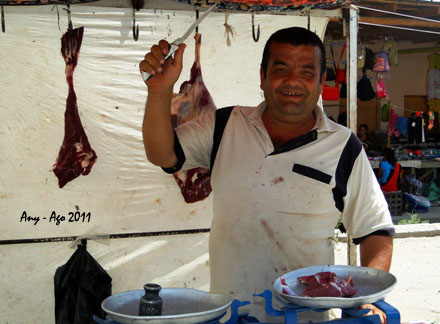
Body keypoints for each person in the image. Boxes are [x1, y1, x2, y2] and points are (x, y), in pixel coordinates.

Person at [140, 27, 394, 323]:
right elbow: (163, 154)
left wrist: (369, 300)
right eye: (281, 69)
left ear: (321, 82)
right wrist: (158, 92)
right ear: (262, 76)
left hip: (305, 318)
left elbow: (375, 229)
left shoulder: (343, 146)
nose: (293, 81)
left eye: (307, 71)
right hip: (229, 314)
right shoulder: (224, 125)